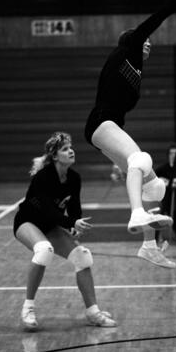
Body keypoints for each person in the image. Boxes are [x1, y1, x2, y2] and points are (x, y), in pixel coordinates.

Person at [84, 0, 176, 265]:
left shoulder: (136, 69)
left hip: (109, 128)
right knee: (140, 159)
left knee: (156, 187)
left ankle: (148, 246)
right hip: (101, 122)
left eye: (149, 43)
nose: (149, 44)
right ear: (133, 42)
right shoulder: (125, 53)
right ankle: (137, 213)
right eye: (145, 41)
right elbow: (157, 18)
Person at [14, 132, 117, 330]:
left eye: (71, 147)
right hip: (27, 222)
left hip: (50, 224)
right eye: (65, 149)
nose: (71, 151)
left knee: (83, 256)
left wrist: (75, 225)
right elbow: (48, 211)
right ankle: (28, 308)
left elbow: (75, 208)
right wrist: (70, 223)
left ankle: (93, 312)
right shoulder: (42, 178)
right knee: (44, 250)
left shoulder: (74, 178)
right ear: (54, 156)